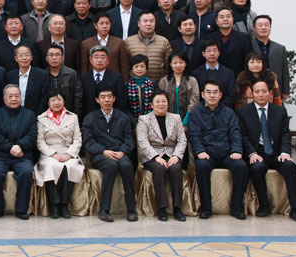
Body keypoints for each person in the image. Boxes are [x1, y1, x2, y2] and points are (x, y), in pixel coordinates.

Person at [237, 79, 296, 222]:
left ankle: (295, 209)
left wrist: (285, 152)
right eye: (257, 92)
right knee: (257, 168)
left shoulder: (280, 111)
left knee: (290, 166)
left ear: (270, 93)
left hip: (276, 152)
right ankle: (264, 205)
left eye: (264, 91)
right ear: (252, 94)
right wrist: (252, 153)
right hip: (258, 152)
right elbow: (243, 136)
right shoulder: (243, 112)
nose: (261, 94)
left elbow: (285, 134)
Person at [189, 80, 248, 220]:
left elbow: (235, 133)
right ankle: (206, 208)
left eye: (215, 92)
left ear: (220, 95)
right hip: (207, 153)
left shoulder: (229, 112)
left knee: (241, 166)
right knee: (202, 166)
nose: (212, 95)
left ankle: (237, 207)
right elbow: (194, 135)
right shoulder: (195, 113)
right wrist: (200, 151)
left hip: (227, 153)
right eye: (208, 92)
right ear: (203, 94)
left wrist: (236, 150)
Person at [82, 86, 137, 222]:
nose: (106, 100)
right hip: (100, 154)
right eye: (103, 97)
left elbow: (129, 140)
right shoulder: (90, 118)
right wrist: (103, 151)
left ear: (114, 98)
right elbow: (89, 142)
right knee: (111, 166)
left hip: (120, 152)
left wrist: (123, 151)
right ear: (97, 100)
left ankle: (131, 209)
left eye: (109, 96)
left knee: (126, 166)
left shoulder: (123, 117)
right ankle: (104, 210)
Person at [0, 85, 37, 220]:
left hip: (23, 155)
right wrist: (10, 147)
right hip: (1, 155)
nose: (14, 99)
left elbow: (32, 135)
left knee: (26, 172)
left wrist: (20, 146)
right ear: (4, 99)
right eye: (10, 96)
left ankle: (21, 209)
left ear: (21, 97)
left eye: (17, 96)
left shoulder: (30, 115)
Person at [136, 90, 186, 221]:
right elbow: (143, 141)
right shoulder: (144, 119)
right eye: (157, 102)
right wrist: (156, 157)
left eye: (163, 101)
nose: (161, 104)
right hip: (152, 155)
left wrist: (176, 156)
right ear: (151, 104)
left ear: (168, 104)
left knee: (176, 168)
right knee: (159, 168)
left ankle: (177, 208)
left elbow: (182, 140)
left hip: (171, 153)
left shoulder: (175, 118)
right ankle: (161, 208)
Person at [35, 89, 84, 219]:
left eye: (59, 99)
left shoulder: (72, 117)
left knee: (70, 166)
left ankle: (64, 204)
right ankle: (54, 205)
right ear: (48, 102)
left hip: (68, 151)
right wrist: (53, 154)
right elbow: (40, 142)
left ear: (64, 101)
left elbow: (78, 139)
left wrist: (69, 154)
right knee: (52, 166)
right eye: (53, 100)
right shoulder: (41, 118)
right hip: (49, 153)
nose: (56, 102)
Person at [80, 45, 129, 121]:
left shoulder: (117, 78)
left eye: (103, 57)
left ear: (108, 60)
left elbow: (121, 102)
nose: (99, 60)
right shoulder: (83, 78)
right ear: (91, 60)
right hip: (89, 119)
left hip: (111, 119)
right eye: (96, 57)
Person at [124, 12, 172, 82]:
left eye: (151, 21)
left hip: (158, 83)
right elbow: (125, 65)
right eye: (145, 21)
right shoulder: (129, 41)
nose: (148, 24)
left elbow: (168, 64)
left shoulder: (164, 41)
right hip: (134, 84)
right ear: (138, 23)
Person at [251, 15, 290, 100]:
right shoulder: (248, 45)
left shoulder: (280, 48)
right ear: (254, 28)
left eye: (266, 25)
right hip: (254, 88)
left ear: (270, 27)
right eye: (260, 25)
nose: (263, 27)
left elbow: (284, 70)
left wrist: (286, 91)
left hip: (275, 87)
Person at [80, 12, 129, 77]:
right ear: (95, 25)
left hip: (114, 79)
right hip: (93, 79)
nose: (104, 26)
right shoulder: (86, 43)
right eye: (101, 23)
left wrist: (124, 81)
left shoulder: (119, 43)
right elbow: (84, 67)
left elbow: (124, 66)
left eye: (107, 23)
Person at [207, 7, 252, 77]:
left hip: (238, 77)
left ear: (233, 19)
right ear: (216, 21)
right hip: (214, 77)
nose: (225, 19)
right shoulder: (209, 38)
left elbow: (248, 60)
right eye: (221, 17)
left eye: (228, 16)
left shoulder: (244, 38)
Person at [191, 39, 236, 108]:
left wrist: (219, 109)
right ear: (203, 54)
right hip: (202, 110)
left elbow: (231, 96)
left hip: (223, 110)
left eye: (214, 50)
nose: (212, 53)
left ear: (219, 53)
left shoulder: (228, 73)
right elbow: (196, 95)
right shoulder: (196, 73)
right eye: (208, 51)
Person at [158, 51, 200, 125]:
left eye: (181, 62)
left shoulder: (192, 81)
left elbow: (194, 101)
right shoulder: (164, 81)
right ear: (170, 64)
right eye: (175, 63)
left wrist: (186, 121)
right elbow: (161, 102)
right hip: (168, 121)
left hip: (189, 120)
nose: (178, 65)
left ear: (185, 64)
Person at [6, 45, 48, 114]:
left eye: (27, 55)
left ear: (31, 57)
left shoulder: (41, 75)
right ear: (16, 58)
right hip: (14, 114)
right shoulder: (10, 76)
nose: (24, 58)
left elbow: (44, 99)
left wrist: (36, 116)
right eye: (21, 55)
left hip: (35, 114)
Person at [44, 44, 83, 115]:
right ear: (46, 58)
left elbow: (78, 96)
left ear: (62, 57)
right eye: (51, 55)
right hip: (47, 115)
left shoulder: (71, 74)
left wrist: (76, 115)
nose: (54, 58)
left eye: (57, 55)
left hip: (68, 115)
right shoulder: (41, 75)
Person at [126, 54, 156, 120]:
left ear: (146, 68)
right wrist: (133, 122)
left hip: (151, 120)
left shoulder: (153, 84)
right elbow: (125, 107)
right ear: (132, 68)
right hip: (132, 121)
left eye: (142, 66)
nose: (139, 69)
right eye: (136, 66)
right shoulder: (127, 85)